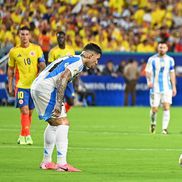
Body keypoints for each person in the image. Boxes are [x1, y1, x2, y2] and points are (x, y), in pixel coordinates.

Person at [31, 43, 102, 172]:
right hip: (46, 89)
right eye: (96, 59)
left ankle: (46, 162)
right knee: (63, 123)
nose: (96, 62)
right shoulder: (78, 63)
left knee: (53, 123)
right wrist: (58, 103)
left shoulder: (70, 58)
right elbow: (63, 78)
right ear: (90, 55)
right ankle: (62, 164)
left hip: (37, 86)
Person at [8, 26, 46, 145]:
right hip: (21, 86)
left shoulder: (37, 49)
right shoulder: (14, 51)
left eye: (26, 34)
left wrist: (41, 71)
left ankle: (22, 134)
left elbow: (43, 64)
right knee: (24, 110)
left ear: (30, 36)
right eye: (22, 34)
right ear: (19, 36)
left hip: (34, 87)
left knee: (29, 112)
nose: (24, 36)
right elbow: (10, 69)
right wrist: (10, 85)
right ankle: (28, 136)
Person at [145, 42, 177, 134]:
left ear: (167, 49)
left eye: (163, 47)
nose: (162, 49)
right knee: (155, 109)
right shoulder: (152, 59)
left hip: (167, 87)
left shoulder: (170, 60)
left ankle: (164, 129)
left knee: (166, 107)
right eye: (160, 47)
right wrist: (149, 82)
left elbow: (172, 73)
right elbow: (147, 71)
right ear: (157, 48)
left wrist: (174, 86)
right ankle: (153, 123)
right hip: (155, 88)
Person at [48, 31, 75, 112]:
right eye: (59, 38)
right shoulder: (53, 51)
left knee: (71, 101)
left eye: (62, 37)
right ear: (57, 39)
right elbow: (50, 66)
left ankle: (63, 112)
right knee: (59, 100)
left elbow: (74, 65)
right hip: (57, 79)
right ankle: (59, 115)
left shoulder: (70, 50)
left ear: (65, 38)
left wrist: (75, 78)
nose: (60, 39)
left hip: (68, 79)